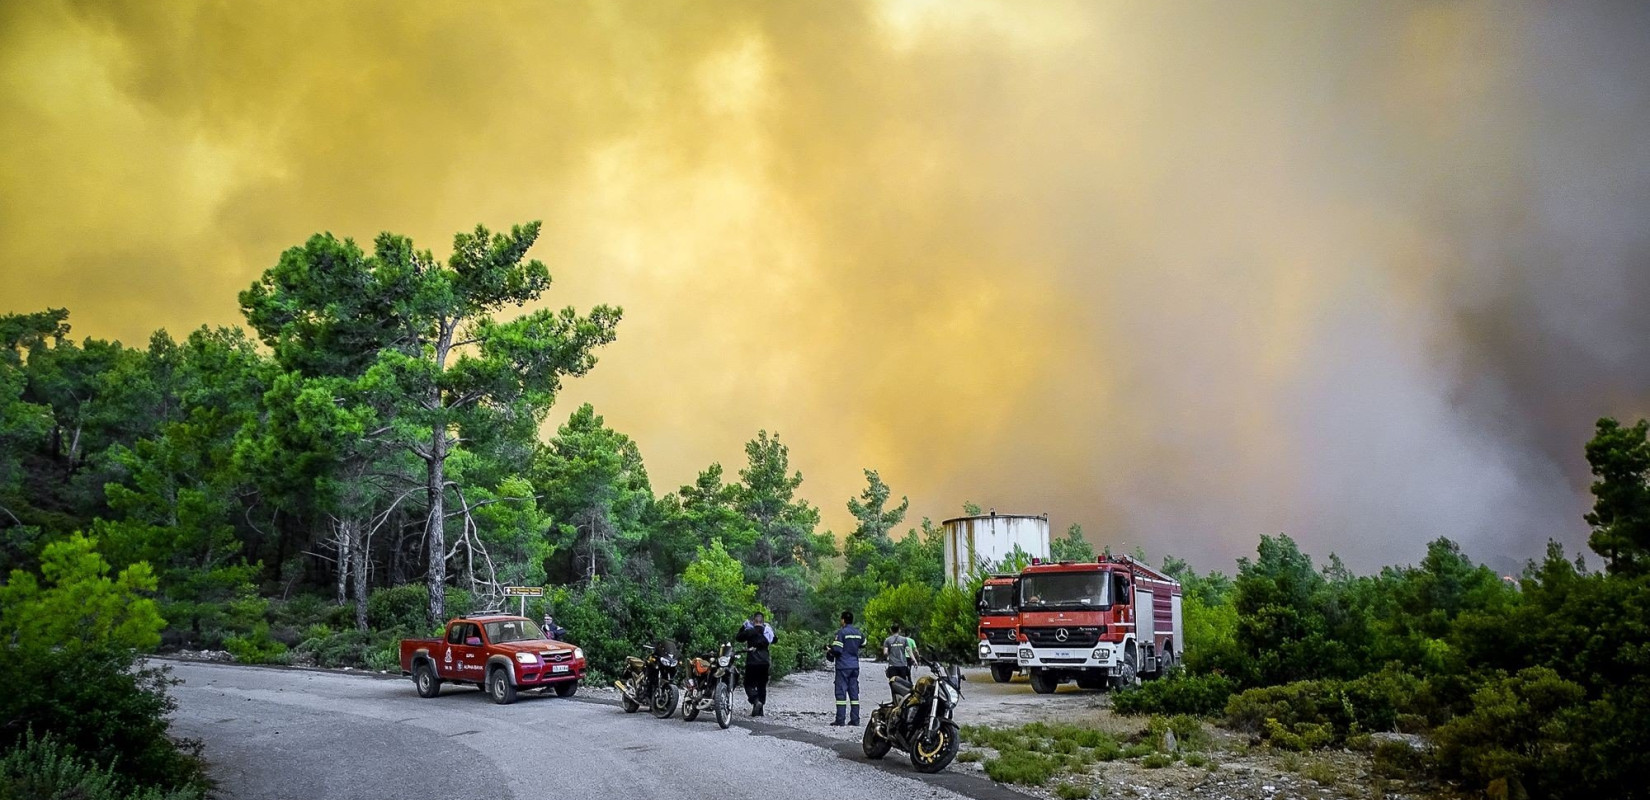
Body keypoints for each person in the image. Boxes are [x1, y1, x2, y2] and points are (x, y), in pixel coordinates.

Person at [826, 610, 864, 726]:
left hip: (843, 666)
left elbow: (837, 650)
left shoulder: (841, 633)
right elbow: (863, 643)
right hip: (854, 666)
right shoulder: (858, 633)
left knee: (841, 693)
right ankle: (855, 719)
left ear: (843, 620)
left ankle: (840, 719)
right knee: (854, 693)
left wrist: (829, 649)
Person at [735, 611, 775, 716]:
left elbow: (738, 638)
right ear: (763, 621)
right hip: (765, 662)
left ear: (754, 621)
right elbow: (775, 640)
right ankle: (760, 710)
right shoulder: (767, 632)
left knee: (748, 684)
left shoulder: (750, 631)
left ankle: (755, 700)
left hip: (752, 662)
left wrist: (743, 627)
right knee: (762, 685)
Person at [882, 624, 918, 696]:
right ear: (899, 630)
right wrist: (914, 660)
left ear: (891, 630)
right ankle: (903, 699)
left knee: (893, 683)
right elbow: (909, 650)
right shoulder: (904, 640)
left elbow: (885, 652)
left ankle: (894, 699)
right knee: (902, 684)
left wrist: (888, 657)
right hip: (902, 665)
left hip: (892, 665)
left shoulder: (887, 640)